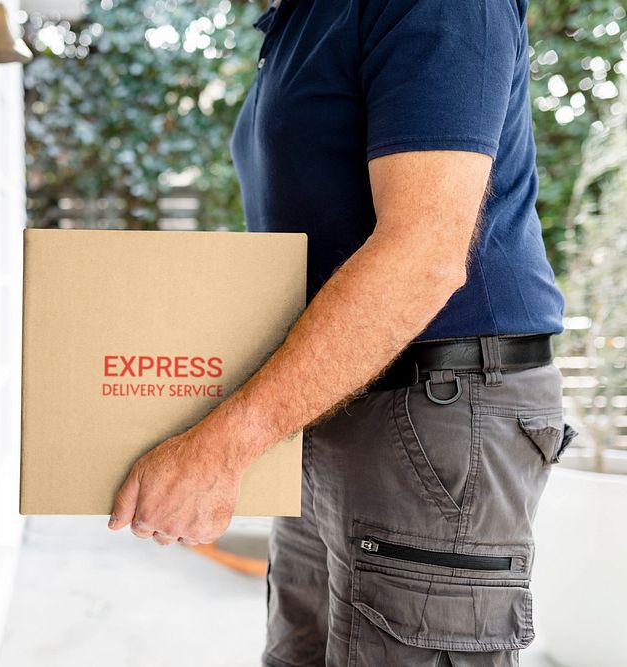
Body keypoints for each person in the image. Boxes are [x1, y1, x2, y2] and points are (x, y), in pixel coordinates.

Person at [107, 0, 578, 665]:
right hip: (331, 401)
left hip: (435, 407)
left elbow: (423, 256)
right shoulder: (300, 18)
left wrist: (221, 447)